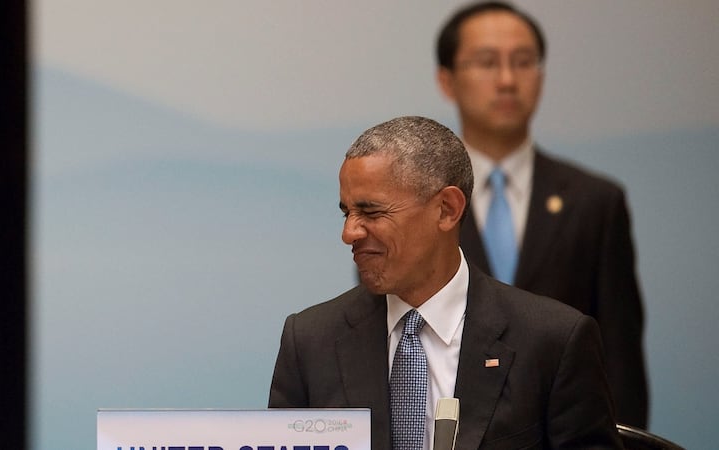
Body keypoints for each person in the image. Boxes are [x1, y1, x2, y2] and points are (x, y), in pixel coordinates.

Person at [268, 116, 623, 450]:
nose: (349, 233)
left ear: (447, 209)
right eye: (347, 213)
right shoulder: (311, 341)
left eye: (372, 212)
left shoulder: (552, 343)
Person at [435, 1, 648, 427]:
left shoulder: (594, 202)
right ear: (448, 81)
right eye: (487, 63)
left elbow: (620, 361)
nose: (508, 80)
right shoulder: (418, 202)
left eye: (524, 62)